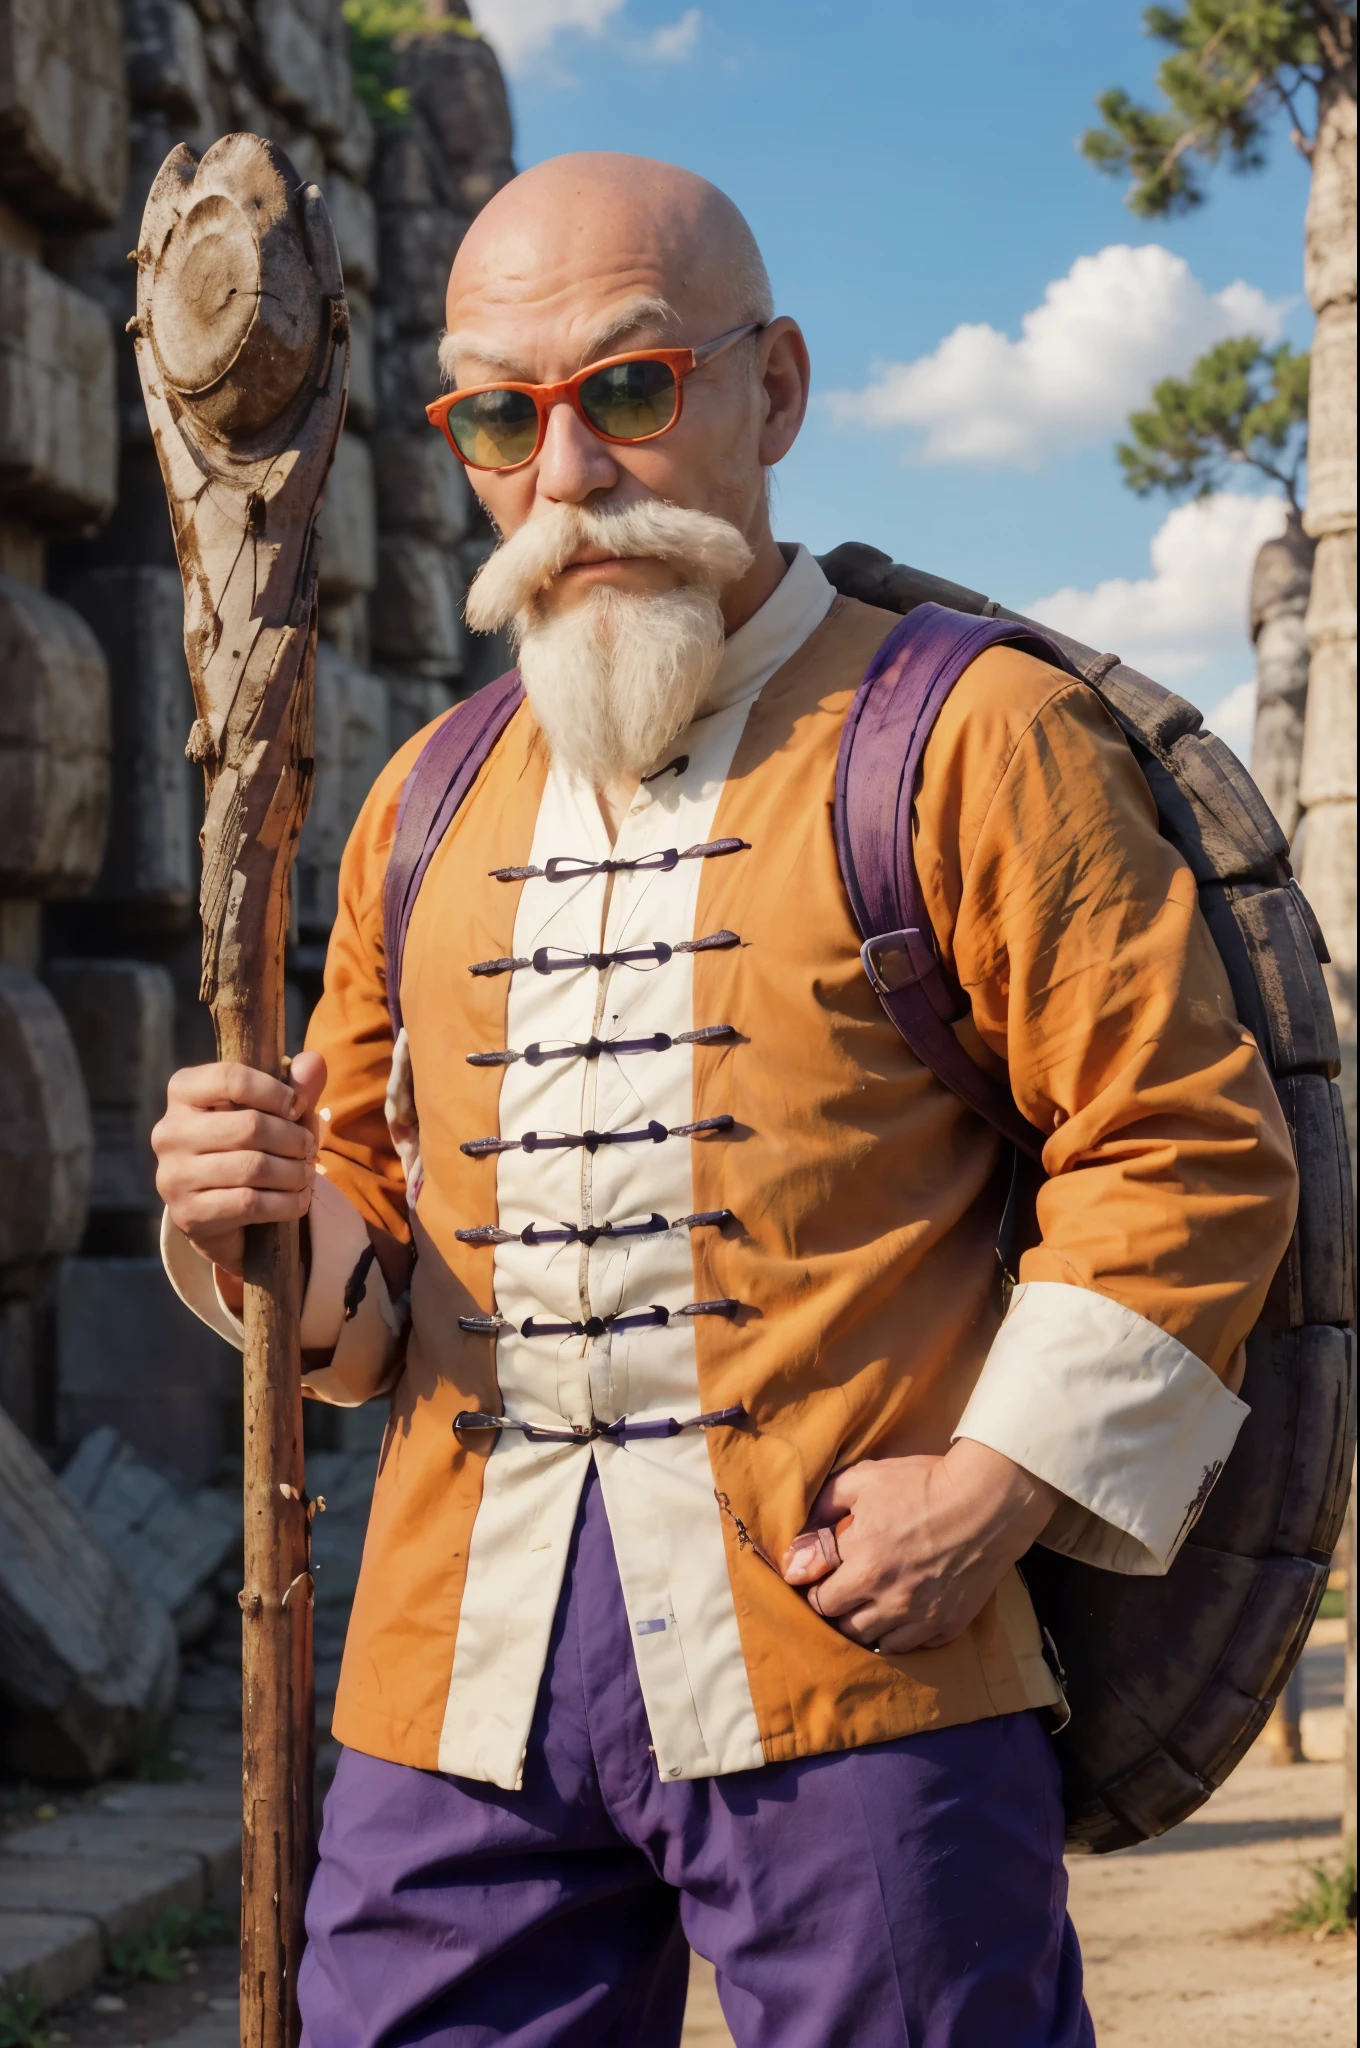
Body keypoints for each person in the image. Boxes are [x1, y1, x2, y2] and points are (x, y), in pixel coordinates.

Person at [152, 153, 1297, 2047]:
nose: (570, 477)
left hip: (859, 1675)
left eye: (629, 390)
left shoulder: (971, 733)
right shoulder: (425, 801)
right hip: (456, 1686)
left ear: (772, 391)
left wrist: (992, 1493)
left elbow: (1180, 1146)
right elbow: (357, 1311)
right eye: (503, 420)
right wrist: (258, 1213)